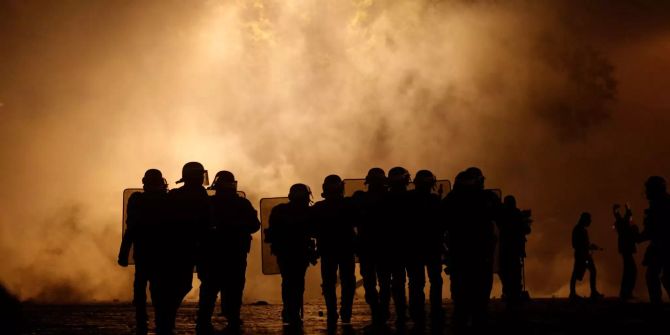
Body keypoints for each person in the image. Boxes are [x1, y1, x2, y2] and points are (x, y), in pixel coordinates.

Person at [196, 171, 260, 333]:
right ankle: (232, 318)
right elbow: (254, 226)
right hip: (234, 255)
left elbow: (197, 227)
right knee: (233, 288)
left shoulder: (208, 203)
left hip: (213, 255)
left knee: (210, 288)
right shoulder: (242, 204)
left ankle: (204, 320)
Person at [153, 162, 210, 335]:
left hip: (182, 247)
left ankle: (165, 319)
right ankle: (165, 319)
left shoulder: (177, 195)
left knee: (179, 285)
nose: (201, 179)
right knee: (180, 285)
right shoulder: (194, 195)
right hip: (184, 247)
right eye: (199, 175)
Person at [441, 168, 498, 330]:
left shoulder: (451, 200)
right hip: (480, 258)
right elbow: (503, 219)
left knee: (461, 305)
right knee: (480, 303)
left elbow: (438, 227)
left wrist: (446, 253)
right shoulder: (487, 199)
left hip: (459, 258)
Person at [118, 169, 168, 335]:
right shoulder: (168, 200)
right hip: (162, 252)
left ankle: (141, 317)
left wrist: (123, 254)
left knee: (140, 284)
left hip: (143, 251)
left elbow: (131, 229)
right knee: (158, 287)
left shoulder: (137, 200)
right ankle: (160, 319)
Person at [265, 184, 317, 328]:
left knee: (288, 281)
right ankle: (292, 311)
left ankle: (290, 310)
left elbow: (271, 233)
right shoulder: (308, 212)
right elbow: (315, 231)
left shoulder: (279, 210)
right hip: (299, 252)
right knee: (297, 282)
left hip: (286, 252)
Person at [311, 175, 357, 329]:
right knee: (347, 282)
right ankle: (345, 312)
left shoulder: (318, 207)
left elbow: (310, 229)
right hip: (345, 250)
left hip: (328, 250)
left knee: (330, 284)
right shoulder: (349, 204)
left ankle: (333, 312)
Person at [406, 169, 444, 324]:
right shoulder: (435, 200)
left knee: (416, 282)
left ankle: (417, 312)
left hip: (414, 247)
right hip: (432, 246)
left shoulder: (407, 199)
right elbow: (442, 223)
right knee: (435, 280)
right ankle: (435, 310)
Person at [350, 168, 387, 325]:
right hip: (381, 246)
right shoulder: (389, 198)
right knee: (382, 281)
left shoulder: (360, 198)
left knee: (373, 281)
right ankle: (380, 309)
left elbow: (350, 220)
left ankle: (378, 309)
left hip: (371, 246)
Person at [378, 166, 412, 327]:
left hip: (385, 248)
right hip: (401, 248)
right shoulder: (412, 199)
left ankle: (383, 315)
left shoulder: (381, 198)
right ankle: (401, 314)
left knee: (385, 284)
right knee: (398, 283)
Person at [638, 176, 670, 304]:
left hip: (663, 246)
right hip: (662, 246)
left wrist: (638, 237)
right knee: (662, 276)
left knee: (654, 276)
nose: (647, 192)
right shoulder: (663, 203)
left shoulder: (660, 205)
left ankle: (656, 305)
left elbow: (654, 229)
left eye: (649, 189)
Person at [497, 195, 531, 304]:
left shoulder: (503, 214)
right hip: (513, 248)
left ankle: (510, 292)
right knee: (513, 271)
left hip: (507, 248)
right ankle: (513, 292)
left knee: (506, 271)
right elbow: (527, 230)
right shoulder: (517, 215)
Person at [569, 212, 603, 300]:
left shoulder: (580, 229)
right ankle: (574, 293)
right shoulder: (579, 229)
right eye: (589, 220)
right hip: (582, 255)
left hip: (584, 255)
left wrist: (590, 246)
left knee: (584, 272)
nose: (590, 222)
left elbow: (582, 244)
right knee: (577, 273)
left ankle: (574, 293)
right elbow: (576, 244)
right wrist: (588, 247)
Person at [613, 203, 638, 301]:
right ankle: (626, 293)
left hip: (625, 250)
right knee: (631, 271)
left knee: (629, 271)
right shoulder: (623, 227)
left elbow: (621, 216)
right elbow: (623, 217)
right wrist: (627, 209)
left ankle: (626, 293)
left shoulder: (622, 227)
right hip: (627, 250)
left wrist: (626, 209)